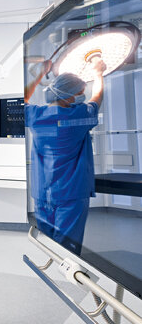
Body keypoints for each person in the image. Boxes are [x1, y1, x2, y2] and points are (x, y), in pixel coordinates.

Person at [24, 58, 106, 254]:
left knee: (48, 244)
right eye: (80, 93)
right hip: (71, 193)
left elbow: (23, 99)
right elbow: (97, 97)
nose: (82, 96)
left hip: (43, 192)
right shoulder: (80, 115)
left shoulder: (35, 115)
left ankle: (54, 267)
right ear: (68, 96)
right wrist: (98, 74)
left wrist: (38, 75)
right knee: (68, 248)